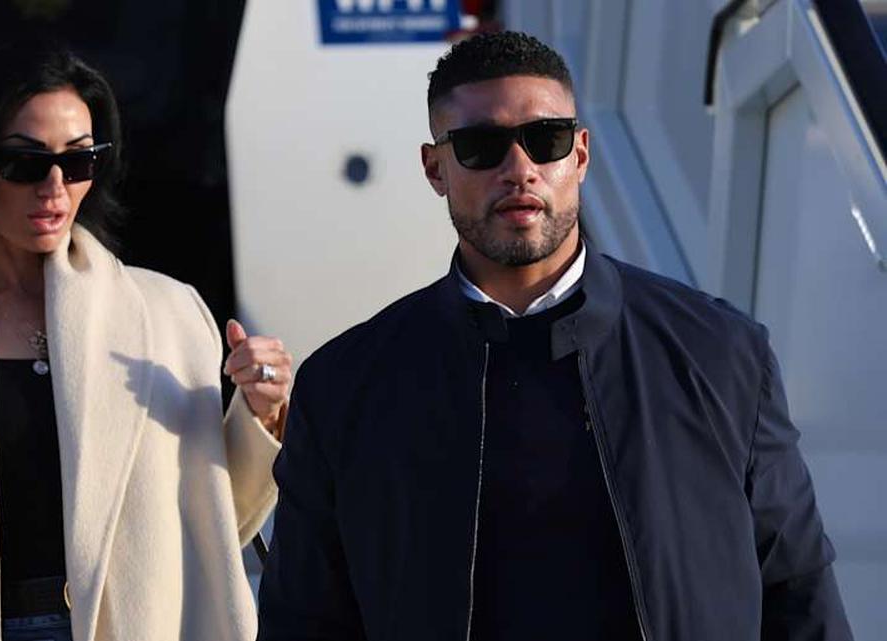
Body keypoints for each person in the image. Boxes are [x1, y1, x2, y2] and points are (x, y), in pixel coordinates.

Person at [256, 31, 852, 641]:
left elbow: (799, 590)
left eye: (546, 140)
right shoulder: (345, 387)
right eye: (481, 147)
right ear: (435, 169)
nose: (520, 170)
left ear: (582, 154)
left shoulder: (723, 355)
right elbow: (304, 622)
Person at [0, 41, 292, 641]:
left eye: (81, 160)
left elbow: (217, 526)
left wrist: (262, 414)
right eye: (25, 162)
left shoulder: (168, 315)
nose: (56, 187)